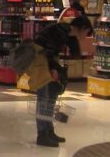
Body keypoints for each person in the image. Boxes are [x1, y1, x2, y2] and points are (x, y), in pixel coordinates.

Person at [30, 15, 93, 147]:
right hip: (40, 60)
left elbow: (72, 54)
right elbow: (47, 51)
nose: (87, 36)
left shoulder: (69, 35)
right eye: (87, 33)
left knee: (52, 96)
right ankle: (42, 134)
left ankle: (49, 130)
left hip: (48, 60)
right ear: (82, 28)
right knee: (44, 97)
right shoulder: (60, 31)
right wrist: (53, 68)